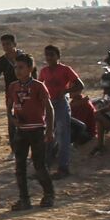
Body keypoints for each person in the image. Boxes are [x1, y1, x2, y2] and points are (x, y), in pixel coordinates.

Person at [5, 54, 55, 210]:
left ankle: (49, 195)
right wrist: (13, 120)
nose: (17, 71)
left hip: (37, 130)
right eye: (15, 67)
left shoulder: (38, 86)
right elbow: (8, 108)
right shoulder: (13, 86)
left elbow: (49, 108)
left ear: (30, 68)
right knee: (20, 167)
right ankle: (24, 199)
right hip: (21, 131)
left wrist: (49, 130)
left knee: (39, 165)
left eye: (21, 67)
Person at [38, 44, 83, 179]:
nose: (49, 58)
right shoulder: (44, 71)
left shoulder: (65, 70)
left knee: (63, 136)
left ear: (58, 56)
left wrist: (66, 91)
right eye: (47, 55)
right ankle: (46, 167)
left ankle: (63, 168)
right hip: (49, 104)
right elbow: (39, 86)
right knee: (49, 134)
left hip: (61, 103)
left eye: (52, 55)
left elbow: (80, 85)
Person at [0, 34, 25, 147]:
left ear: (14, 44)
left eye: (8, 44)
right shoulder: (2, 61)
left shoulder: (24, 58)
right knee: (11, 119)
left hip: (25, 93)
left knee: (27, 118)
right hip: (10, 94)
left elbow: (34, 75)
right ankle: (14, 147)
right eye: (3, 44)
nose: (6, 47)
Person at [68, 81, 97, 146]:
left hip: (87, 133)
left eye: (72, 89)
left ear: (79, 90)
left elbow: (80, 125)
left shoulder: (84, 104)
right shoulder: (75, 102)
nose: (69, 91)